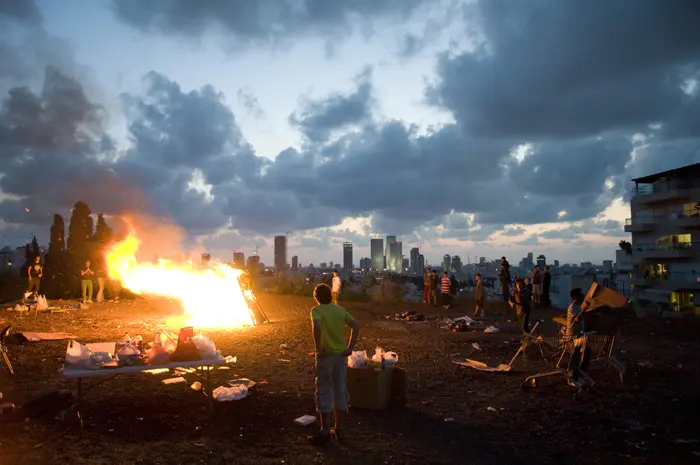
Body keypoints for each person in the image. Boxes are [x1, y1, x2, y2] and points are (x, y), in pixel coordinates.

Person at [308, 283, 360, 445]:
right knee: (340, 389)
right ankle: (339, 429)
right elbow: (356, 326)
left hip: (326, 357)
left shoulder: (316, 311)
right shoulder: (339, 310)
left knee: (324, 389)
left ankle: (325, 430)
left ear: (316, 298)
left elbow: (316, 327)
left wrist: (318, 348)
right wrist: (350, 347)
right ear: (331, 296)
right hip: (340, 357)